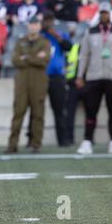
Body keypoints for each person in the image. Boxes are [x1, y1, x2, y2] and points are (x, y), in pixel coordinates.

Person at [75, 3, 112, 154]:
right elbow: (84, 55)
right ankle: (87, 141)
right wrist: (80, 75)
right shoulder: (90, 31)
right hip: (94, 76)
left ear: (110, 14)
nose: (104, 15)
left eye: (106, 13)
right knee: (91, 110)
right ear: (99, 14)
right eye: (102, 13)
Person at [6, 17, 50, 153]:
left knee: (38, 114)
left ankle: (36, 145)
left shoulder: (45, 42)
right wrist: (35, 57)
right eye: (31, 24)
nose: (33, 26)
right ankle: (12, 145)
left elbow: (45, 61)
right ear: (28, 26)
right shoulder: (21, 42)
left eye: (36, 24)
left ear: (39, 26)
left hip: (38, 82)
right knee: (18, 113)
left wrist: (26, 57)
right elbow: (14, 60)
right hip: (22, 83)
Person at [42, 12, 72, 146]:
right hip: (41, 77)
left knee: (59, 109)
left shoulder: (60, 35)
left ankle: (63, 140)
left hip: (57, 77)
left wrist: (56, 35)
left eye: (50, 20)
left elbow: (69, 47)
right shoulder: (40, 36)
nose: (48, 24)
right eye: (46, 21)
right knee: (36, 109)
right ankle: (33, 140)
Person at [64, 42, 84, 146]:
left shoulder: (93, 47)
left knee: (91, 112)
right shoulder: (74, 47)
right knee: (70, 113)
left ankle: (88, 138)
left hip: (88, 84)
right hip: (73, 85)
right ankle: (69, 137)